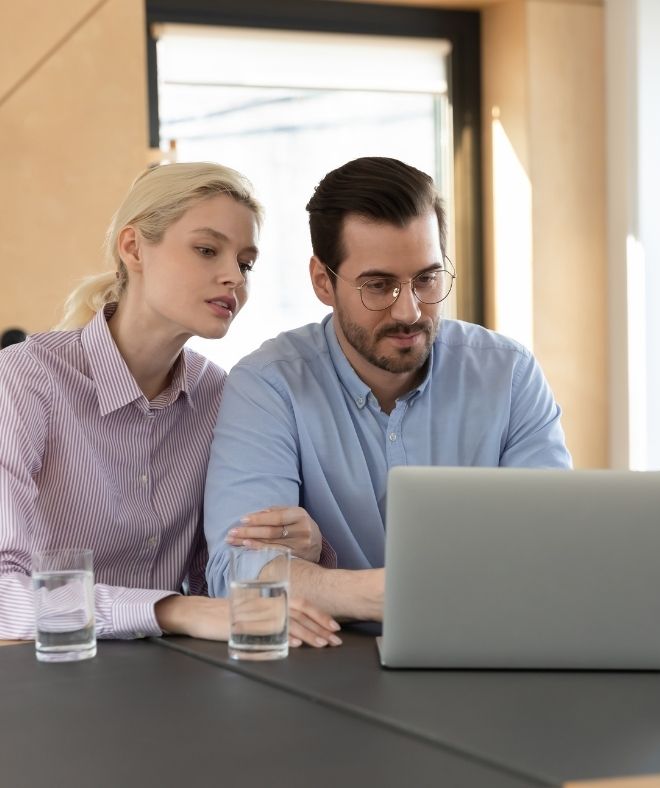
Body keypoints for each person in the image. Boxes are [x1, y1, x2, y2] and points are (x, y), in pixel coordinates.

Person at [204, 156, 571, 627]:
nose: (409, 312)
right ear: (323, 281)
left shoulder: (509, 373)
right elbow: (238, 572)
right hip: (328, 666)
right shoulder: (269, 385)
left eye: (426, 279)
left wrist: (321, 582)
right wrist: (386, 594)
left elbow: (553, 545)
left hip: (487, 650)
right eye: (379, 286)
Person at [0, 162, 337, 646]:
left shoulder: (222, 397)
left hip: (174, 681)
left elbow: (218, 579)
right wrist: (170, 609)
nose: (233, 278)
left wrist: (308, 548)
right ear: (134, 247)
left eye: (245, 263)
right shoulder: (24, 380)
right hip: (46, 680)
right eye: (206, 250)